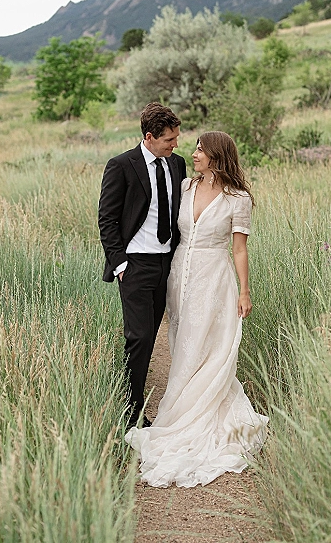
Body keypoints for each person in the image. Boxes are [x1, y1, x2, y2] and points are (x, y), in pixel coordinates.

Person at [125, 131, 268, 487]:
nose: (193, 153)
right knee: (182, 343)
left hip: (214, 277)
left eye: (201, 150)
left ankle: (193, 413)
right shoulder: (186, 187)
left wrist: (245, 291)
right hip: (180, 275)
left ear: (217, 157)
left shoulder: (238, 199)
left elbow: (239, 250)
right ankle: (187, 402)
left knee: (209, 347)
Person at [98, 102, 187, 428]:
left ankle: (146, 399)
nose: (175, 144)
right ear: (149, 137)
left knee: (153, 336)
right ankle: (132, 413)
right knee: (139, 337)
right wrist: (120, 263)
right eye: (169, 140)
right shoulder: (121, 165)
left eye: (176, 138)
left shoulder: (176, 165)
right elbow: (106, 219)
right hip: (135, 265)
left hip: (167, 263)